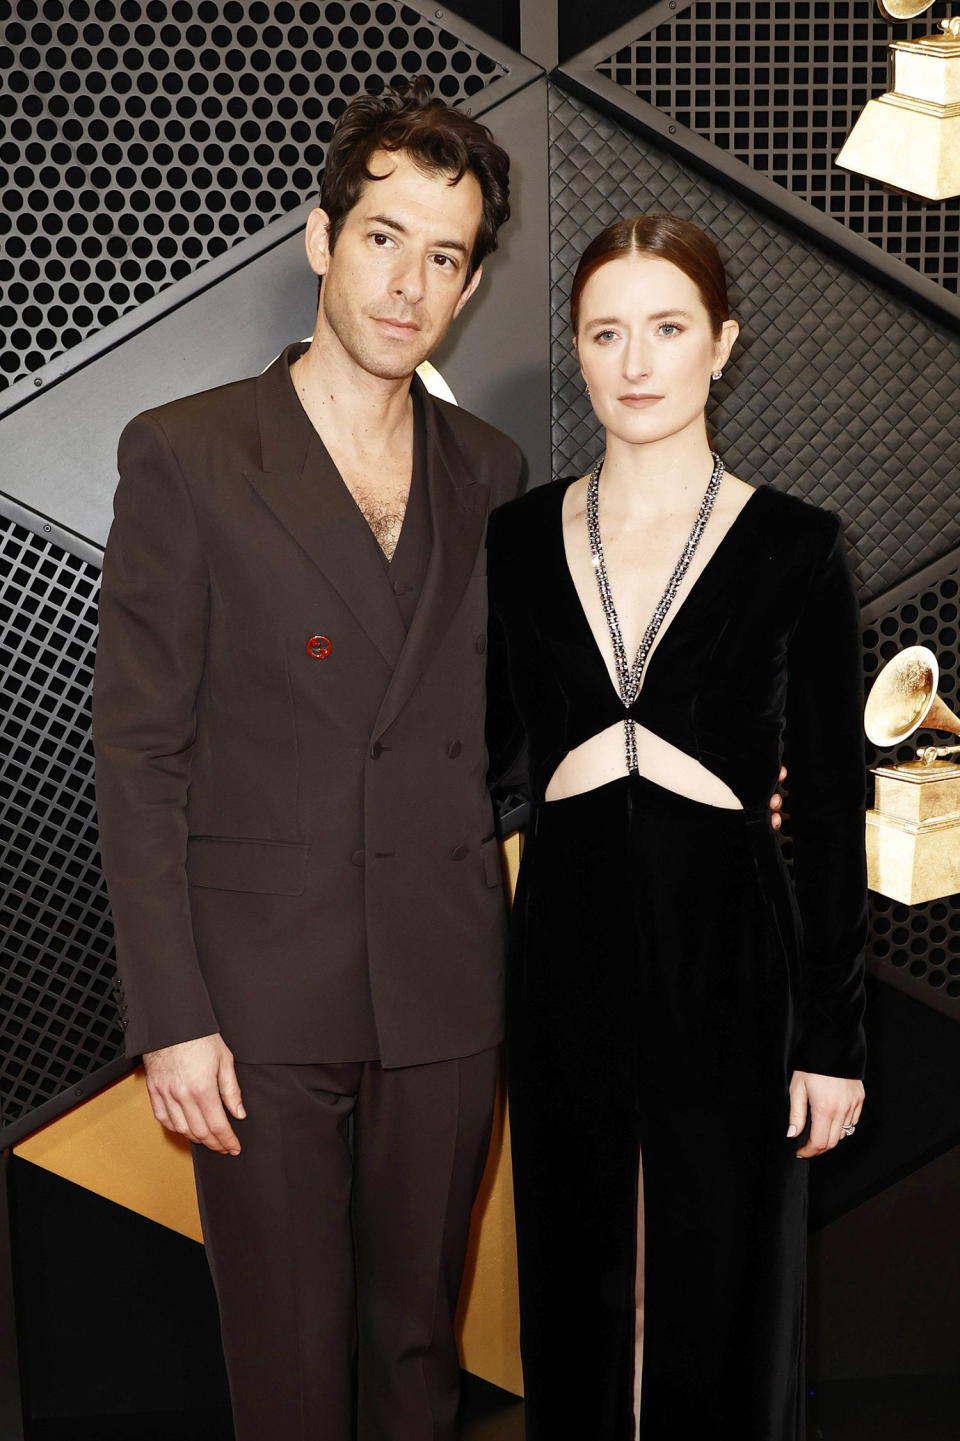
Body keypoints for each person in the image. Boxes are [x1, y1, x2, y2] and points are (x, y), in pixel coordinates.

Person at [92, 80, 522, 1441]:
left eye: (444, 255)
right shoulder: (192, 454)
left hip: (446, 986)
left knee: (418, 1361)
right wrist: (170, 1011)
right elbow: (138, 749)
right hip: (257, 1006)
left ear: (467, 283)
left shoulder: (492, 469)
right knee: (287, 1373)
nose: (409, 284)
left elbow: (515, 732)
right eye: (384, 237)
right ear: (319, 240)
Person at [485, 214, 867, 1440]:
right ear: (581, 352)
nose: (635, 361)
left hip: (732, 956)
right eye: (606, 332)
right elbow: (491, 759)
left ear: (722, 344)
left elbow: (828, 813)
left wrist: (835, 1039)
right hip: (563, 954)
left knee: (724, 1283)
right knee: (576, 1282)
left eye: (666, 328)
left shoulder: (800, 548)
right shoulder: (518, 538)